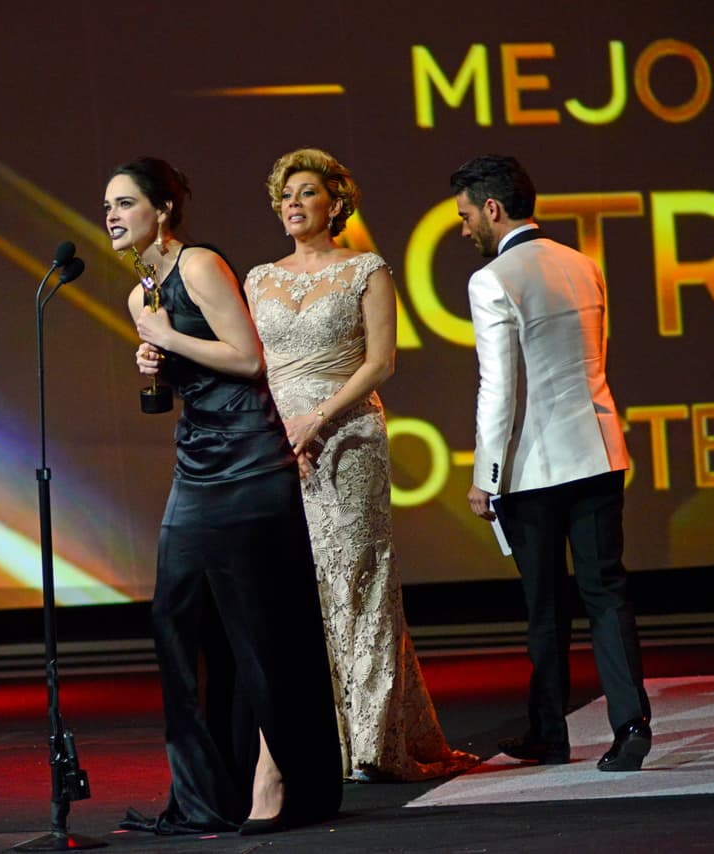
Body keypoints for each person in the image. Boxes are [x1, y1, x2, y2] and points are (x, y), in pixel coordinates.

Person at [103, 156, 342, 834]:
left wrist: (169, 338)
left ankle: (279, 777)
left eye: (126, 202)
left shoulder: (201, 266)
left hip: (250, 460)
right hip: (198, 462)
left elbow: (247, 359)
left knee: (260, 629)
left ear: (164, 210)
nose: (114, 216)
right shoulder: (140, 293)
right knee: (177, 619)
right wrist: (157, 362)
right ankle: (206, 794)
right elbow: (189, 377)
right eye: (107, 206)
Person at [244, 147, 479, 782]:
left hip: (346, 437)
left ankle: (373, 742)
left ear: (335, 204)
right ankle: (317, 738)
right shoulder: (259, 278)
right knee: (299, 589)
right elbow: (249, 363)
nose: (293, 203)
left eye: (306, 193)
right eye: (285, 194)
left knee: (359, 579)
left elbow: (381, 362)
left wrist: (316, 420)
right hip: (276, 445)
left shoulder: (365, 269)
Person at [450, 154, 653, 772]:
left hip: (533, 470)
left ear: (492, 208)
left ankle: (550, 732)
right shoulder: (581, 263)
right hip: (596, 452)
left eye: (464, 217)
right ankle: (631, 722)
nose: (463, 231)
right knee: (606, 591)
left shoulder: (492, 279)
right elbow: (595, 360)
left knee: (545, 605)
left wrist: (486, 478)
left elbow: (500, 389)